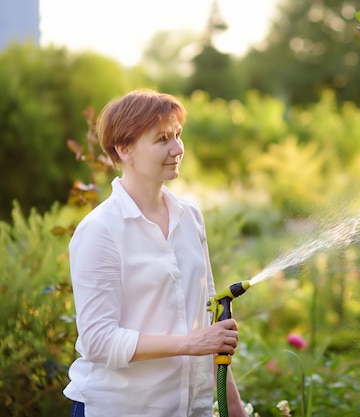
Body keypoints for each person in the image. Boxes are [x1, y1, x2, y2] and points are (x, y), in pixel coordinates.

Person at [63, 89, 247, 417]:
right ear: (124, 148)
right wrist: (191, 343)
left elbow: (206, 323)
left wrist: (234, 408)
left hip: (192, 410)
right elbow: (98, 341)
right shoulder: (100, 230)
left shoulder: (189, 217)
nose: (177, 149)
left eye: (178, 135)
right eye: (162, 139)